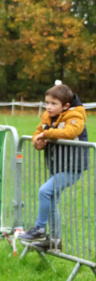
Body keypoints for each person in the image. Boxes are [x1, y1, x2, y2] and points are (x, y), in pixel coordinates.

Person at [18, 84, 88, 248]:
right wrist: (38, 142)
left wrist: (47, 134)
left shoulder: (76, 115)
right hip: (57, 166)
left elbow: (70, 132)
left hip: (72, 167)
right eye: (47, 103)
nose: (48, 107)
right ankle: (55, 241)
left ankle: (40, 229)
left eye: (53, 104)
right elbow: (37, 132)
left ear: (66, 106)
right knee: (51, 200)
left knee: (45, 191)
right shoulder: (48, 117)